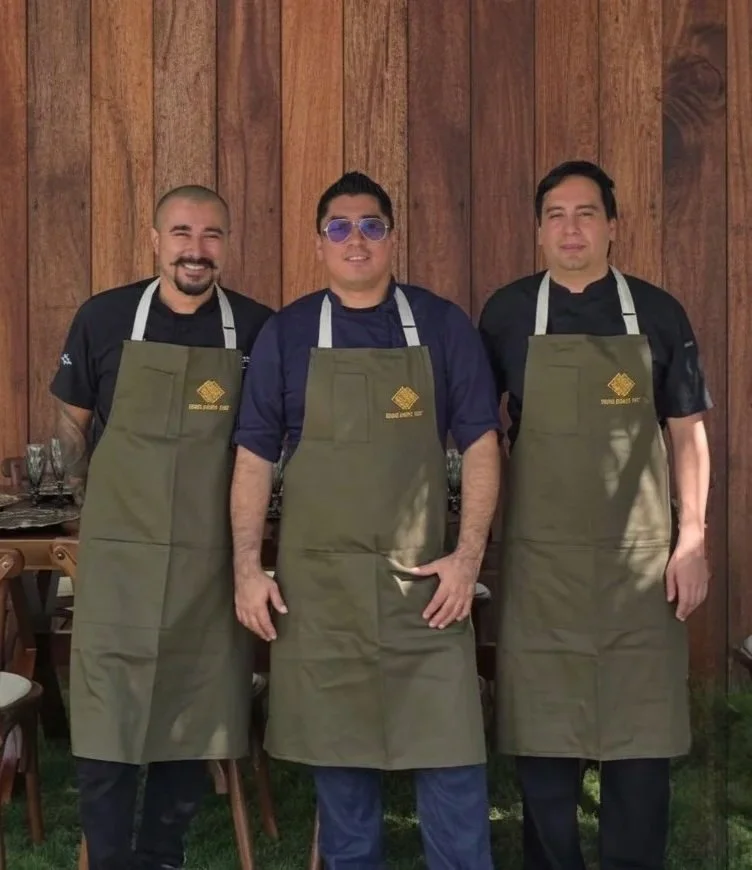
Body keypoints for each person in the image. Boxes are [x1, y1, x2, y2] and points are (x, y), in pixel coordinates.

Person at [231, 171, 500, 869]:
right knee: (343, 783)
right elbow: (255, 458)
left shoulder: (441, 326)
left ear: (392, 237)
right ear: (319, 243)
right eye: (340, 227)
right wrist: (246, 572)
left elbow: (480, 444)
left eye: (371, 225)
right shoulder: (287, 335)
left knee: (453, 770)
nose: (357, 239)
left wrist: (467, 558)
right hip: (321, 596)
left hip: (425, 592)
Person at [479, 160, 712, 870]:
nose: (571, 227)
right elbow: (478, 434)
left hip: (641, 564)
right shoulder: (508, 313)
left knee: (639, 742)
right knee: (544, 737)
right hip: (541, 562)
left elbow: (687, 431)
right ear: (539, 230)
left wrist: (693, 539)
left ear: (613, 226)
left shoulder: (659, 312)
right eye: (555, 214)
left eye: (586, 213)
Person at [51, 185, 273, 870]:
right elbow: (71, 422)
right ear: (155, 240)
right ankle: (112, 858)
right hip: (120, 555)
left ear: (227, 245)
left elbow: (266, 443)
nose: (195, 249)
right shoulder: (105, 317)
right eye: (181, 232)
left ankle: (161, 854)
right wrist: (89, 499)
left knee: (194, 703)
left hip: (211, 557)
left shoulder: (259, 329)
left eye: (210, 235)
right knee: (105, 712)